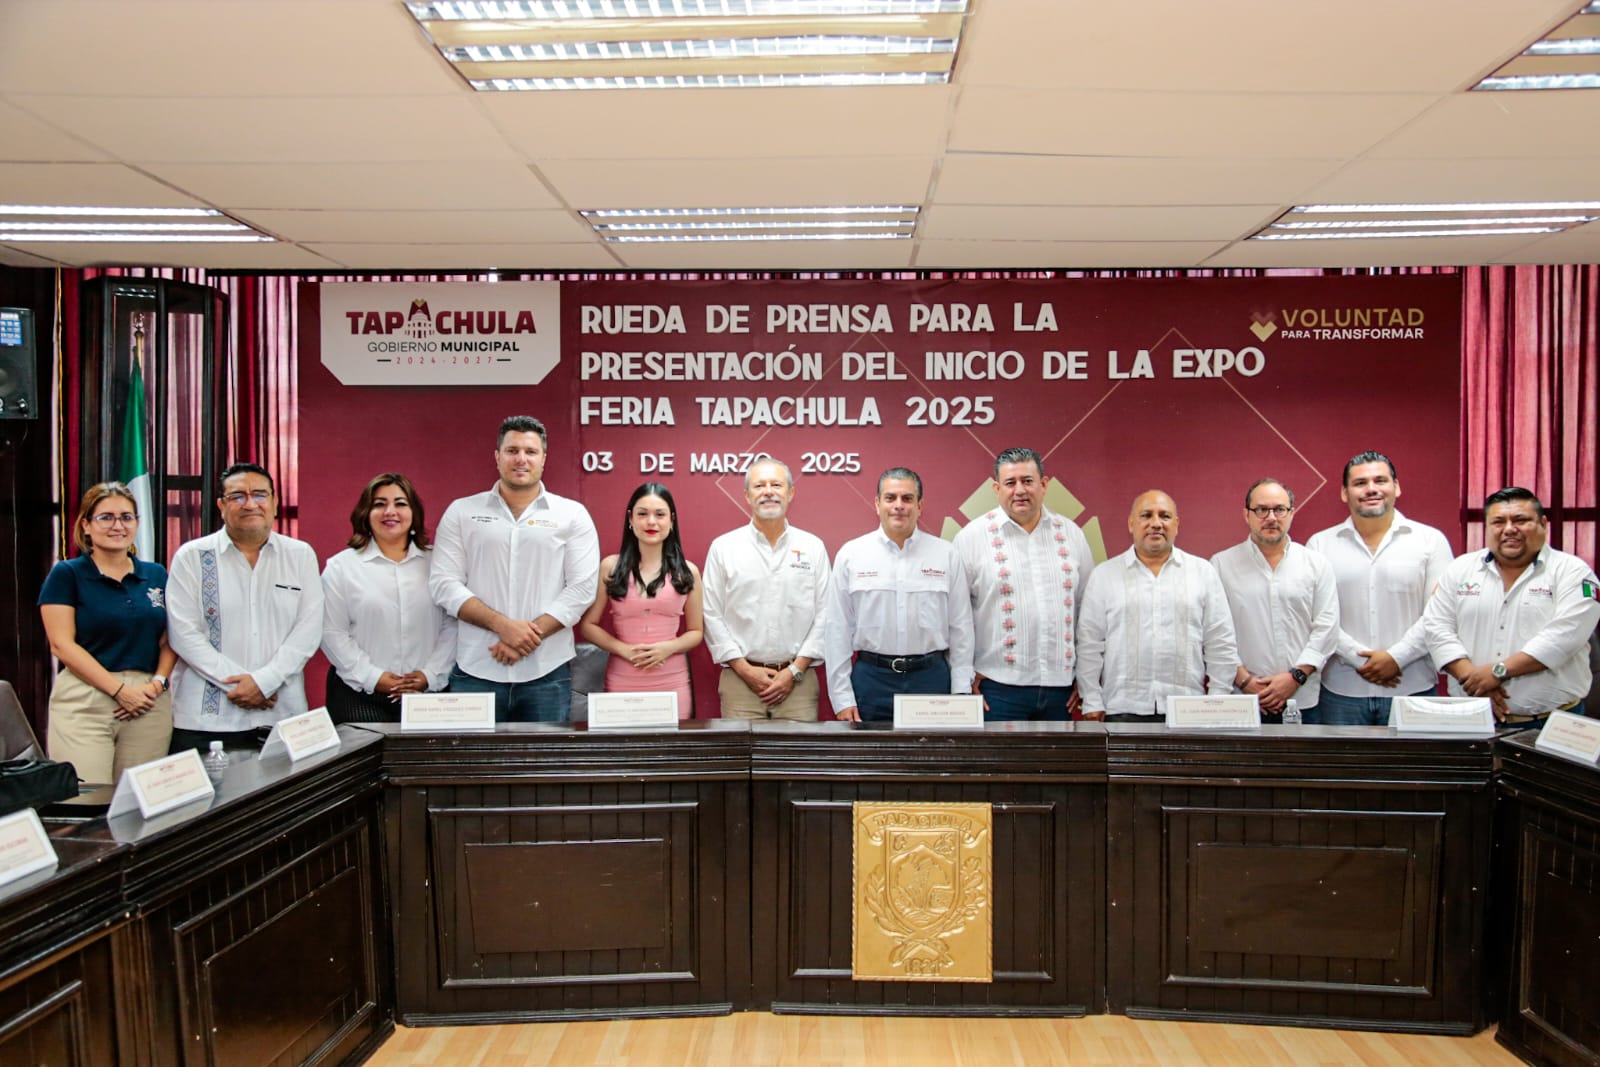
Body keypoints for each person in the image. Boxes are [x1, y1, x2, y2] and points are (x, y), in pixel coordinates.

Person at [430, 416, 600, 722]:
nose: (521, 459)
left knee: (545, 755)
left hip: (547, 672)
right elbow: (444, 583)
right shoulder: (462, 512)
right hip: (475, 670)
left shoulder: (572, 514)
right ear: (497, 456)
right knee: (472, 755)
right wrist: (502, 626)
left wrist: (523, 639)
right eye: (512, 450)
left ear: (543, 459)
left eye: (530, 452)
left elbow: (581, 589)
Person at [166, 462, 323, 753]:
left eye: (260, 495)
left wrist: (264, 682)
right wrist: (243, 686)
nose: (250, 504)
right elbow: (183, 634)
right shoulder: (192, 556)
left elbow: (308, 630)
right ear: (221, 506)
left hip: (281, 715)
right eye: (237, 496)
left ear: (275, 502)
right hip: (205, 721)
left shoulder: (300, 555)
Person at [1423, 487, 1600, 726]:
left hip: (1551, 722)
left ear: (1543, 524)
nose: (1509, 529)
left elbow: (1563, 637)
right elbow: (1436, 628)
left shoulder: (1573, 572)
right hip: (1471, 717)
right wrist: (1475, 681)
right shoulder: (1459, 569)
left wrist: (1497, 672)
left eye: (1521, 520)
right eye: (1498, 522)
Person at [38, 482, 176, 782]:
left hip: (148, 700)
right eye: (106, 517)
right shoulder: (67, 574)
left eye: (126, 517)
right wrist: (120, 691)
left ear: (137, 523)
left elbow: (172, 638)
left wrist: (157, 684)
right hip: (87, 698)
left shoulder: (156, 574)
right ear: (86, 525)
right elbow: (61, 645)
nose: (118, 525)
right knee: (87, 800)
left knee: (141, 800)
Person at [1306, 451, 1454, 726]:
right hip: (1341, 690)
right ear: (1344, 493)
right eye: (1360, 483)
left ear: (1396, 487)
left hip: (1413, 687)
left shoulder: (1430, 541)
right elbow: (1317, 615)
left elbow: (1439, 613)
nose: (1371, 489)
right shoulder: (1320, 545)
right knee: (1341, 758)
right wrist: (1360, 660)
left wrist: (1397, 658)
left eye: (1380, 480)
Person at [822, 467, 974, 722]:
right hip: (871, 681)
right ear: (877, 504)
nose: (899, 506)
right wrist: (842, 698)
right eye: (890, 498)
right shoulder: (851, 554)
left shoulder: (946, 554)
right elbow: (837, 630)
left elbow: (961, 627)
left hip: (931, 680)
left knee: (931, 750)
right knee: (871, 749)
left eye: (907, 498)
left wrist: (961, 690)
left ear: (919, 505)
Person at [953, 446, 1095, 722]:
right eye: (1010, 483)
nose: (1019, 490)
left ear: (1044, 485)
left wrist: (1087, 677)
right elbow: (957, 616)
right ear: (996, 489)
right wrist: (962, 677)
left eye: (1027, 481)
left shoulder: (1071, 535)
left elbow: (1087, 612)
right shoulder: (971, 538)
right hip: (997, 688)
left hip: (1061, 690)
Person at [1077, 490, 1238, 722]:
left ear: (1177, 524)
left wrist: (1216, 700)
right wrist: (1091, 699)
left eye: (1165, 516)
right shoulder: (1104, 575)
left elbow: (1220, 641)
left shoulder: (1202, 572)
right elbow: (1089, 644)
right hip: (1121, 709)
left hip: (1188, 709)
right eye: (1146, 515)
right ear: (1131, 524)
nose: (1156, 523)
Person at [320, 473, 457, 724]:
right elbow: (332, 632)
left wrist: (430, 675)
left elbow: (454, 624)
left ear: (414, 513)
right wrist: (373, 677)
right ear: (366, 513)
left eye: (400, 503)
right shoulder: (341, 567)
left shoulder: (439, 563)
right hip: (359, 694)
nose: (390, 511)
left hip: (429, 695)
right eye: (379, 504)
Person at [701, 458, 829, 720]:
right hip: (739, 683)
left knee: (798, 747)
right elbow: (711, 614)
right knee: (739, 749)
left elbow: (826, 614)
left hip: (799, 684)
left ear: (790, 493)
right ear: (747, 495)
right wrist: (745, 670)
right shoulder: (724, 548)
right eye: (759, 486)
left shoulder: (812, 547)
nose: (768, 492)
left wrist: (794, 671)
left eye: (776, 485)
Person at [1211, 478, 1338, 721]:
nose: (1271, 517)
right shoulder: (1221, 565)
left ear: (1291, 513)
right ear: (1246, 515)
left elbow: (1327, 628)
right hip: (1243, 700)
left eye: (1279, 509)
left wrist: (1295, 677)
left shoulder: (1316, 564)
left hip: (1302, 699)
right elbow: (1214, 633)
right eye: (1261, 509)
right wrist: (1245, 681)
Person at [579, 483, 704, 718]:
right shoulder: (610, 567)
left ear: (672, 520)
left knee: (671, 742)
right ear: (630, 519)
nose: (651, 522)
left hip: (671, 682)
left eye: (660, 514)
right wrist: (623, 650)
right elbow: (588, 625)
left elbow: (696, 631)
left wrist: (668, 648)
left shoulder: (688, 572)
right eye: (643, 514)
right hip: (622, 679)